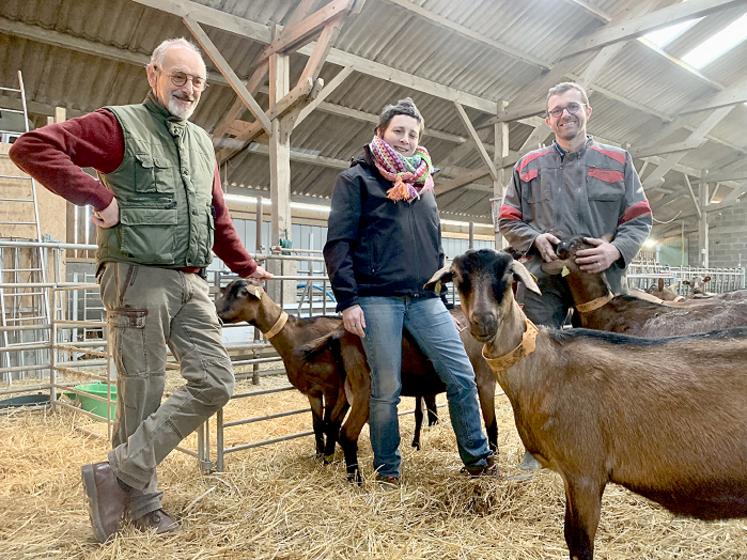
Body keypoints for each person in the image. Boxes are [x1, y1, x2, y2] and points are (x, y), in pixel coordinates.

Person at [9, 37, 271, 542]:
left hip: (191, 279)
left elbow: (216, 215)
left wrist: (245, 264)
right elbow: (32, 147)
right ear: (154, 75)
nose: (189, 88)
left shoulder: (200, 143)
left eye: (197, 80)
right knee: (142, 390)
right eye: (179, 76)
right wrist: (97, 196)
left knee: (217, 381)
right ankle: (143, 504)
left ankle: (114, 473)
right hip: (136, 273)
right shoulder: (119, 125)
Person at [323, 98, 495, 486]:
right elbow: (338, 244)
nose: (405, 139)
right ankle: (388, 470)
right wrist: (347, 301)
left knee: (462, 375)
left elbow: (434, 246)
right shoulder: (356, 180)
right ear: (381, 132)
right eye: (398, 131)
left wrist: (445, 298)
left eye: (413, 134)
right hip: (376, 297)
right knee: (386, 388)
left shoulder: (424, 185)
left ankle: (478, 459)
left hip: (424, 298)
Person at [498, 82, 652, 469]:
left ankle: (618, 444)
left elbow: (639, 217)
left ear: (587, 110)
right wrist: (534, 239)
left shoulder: (617, 160)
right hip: (544, 279)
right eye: (556, 111)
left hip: (600, 282)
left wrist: (615, 249)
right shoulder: (528, 165)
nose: (565, 115)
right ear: (547, 119)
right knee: (536, 359)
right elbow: (508, 217)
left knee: (612, 360)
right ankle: (536, 450)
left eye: (572, 107)